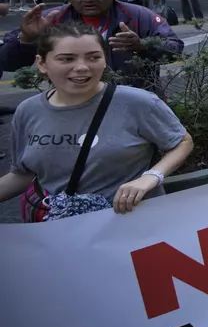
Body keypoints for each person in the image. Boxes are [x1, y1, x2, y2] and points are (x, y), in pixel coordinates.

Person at [0, 24, 193, 218]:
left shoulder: (138, 102)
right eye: (67, 59)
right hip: (56, 231)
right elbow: (22, 174)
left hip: (131, 224)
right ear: (42, 63)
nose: (82, 67)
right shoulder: (28, 110)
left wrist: (152, 177)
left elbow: (182, 141)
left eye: (94, 57)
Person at [1, 0, 182, 89]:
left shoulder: (140, 16)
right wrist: (26, 39)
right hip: (72, 105)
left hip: (135, 102)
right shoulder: (50, 19)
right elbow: (7, 62)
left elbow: (175, 49)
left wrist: (142, 46)